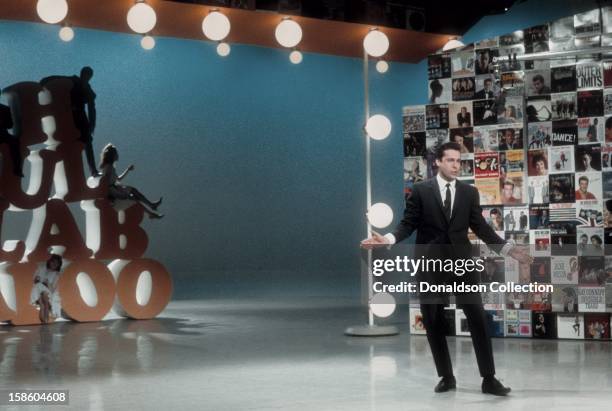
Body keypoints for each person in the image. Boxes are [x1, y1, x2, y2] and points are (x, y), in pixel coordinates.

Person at [362, 142, 531, 396]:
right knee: (432, 321)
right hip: (430, 265)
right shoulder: (419, 191)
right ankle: (446, 377)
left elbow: (481, 229)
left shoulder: (469, 192)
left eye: (458, 161)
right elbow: (407, 225)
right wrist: (387, 240)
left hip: (462, 264)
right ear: (437, 162)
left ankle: (489, 379)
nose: (455, 165)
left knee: (477, 318)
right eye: (450, 160)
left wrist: (508, 249)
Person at [99, 144, 164, 218]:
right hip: (113, 191)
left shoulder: (111, 166)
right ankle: (150, 213)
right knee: (133, 198)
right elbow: (105, 183)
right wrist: (112, 196)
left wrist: (127, 170)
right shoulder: (108, 167)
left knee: (134, 190)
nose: (118, 155)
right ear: (112, 156)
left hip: (115, 187)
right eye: (116, 153)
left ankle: (151, 205)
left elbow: (118, 179)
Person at [29, 254, 63, 324]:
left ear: (58, 265)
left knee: (44, 297)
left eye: (57, 263)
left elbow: (53, 289)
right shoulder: (41, 268)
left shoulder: (57, 274)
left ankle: (45, 320)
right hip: (37, 290)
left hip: (48, 292)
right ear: (49, 261)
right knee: (40, 289)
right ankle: (45, 319)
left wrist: (47, 284)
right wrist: (36, 280)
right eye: (53, 262)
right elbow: (34, 280)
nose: (54, 264)